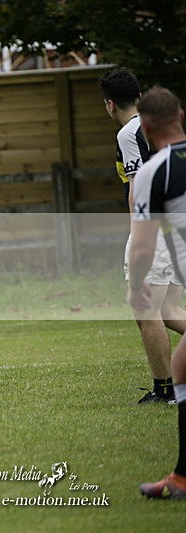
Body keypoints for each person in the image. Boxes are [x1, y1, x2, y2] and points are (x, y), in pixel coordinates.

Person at [99, 67, 186, 404]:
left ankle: (165, 389)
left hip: (156, 229)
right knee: (169, 310)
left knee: (146, 310)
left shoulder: (128, 133)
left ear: (110, 104)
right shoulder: (167, 129)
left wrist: (139, 241)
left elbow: (138, 189)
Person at [128, 86, 186, 499]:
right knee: (182, 364)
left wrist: (135, 288)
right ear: (180, 115)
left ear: (145, 127)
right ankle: (182, 477)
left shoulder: (155, 171)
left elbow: (144, 244)